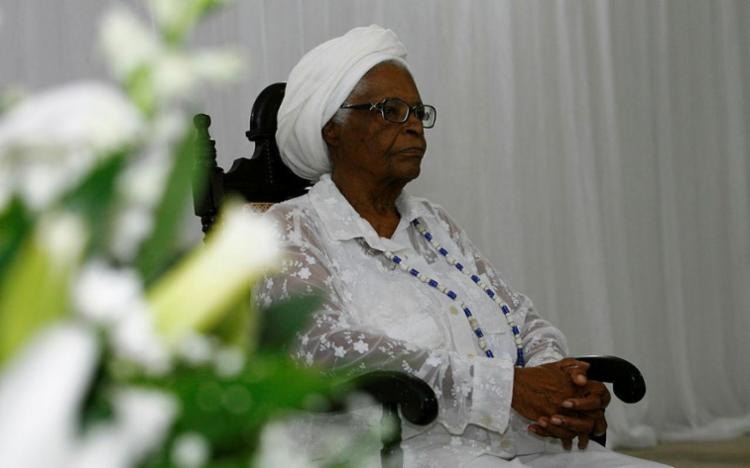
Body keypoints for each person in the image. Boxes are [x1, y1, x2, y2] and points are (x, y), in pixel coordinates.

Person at [256, 25, 670, 468]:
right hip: (401, 454)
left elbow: (523, 320)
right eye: (391, 110)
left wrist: (560, 386)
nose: (414, 125)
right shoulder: (288, 229)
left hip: (522, 443)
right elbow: (319, 349)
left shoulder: (435, 224)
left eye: (417, 111)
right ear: (331, 129)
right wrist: (507, 387)